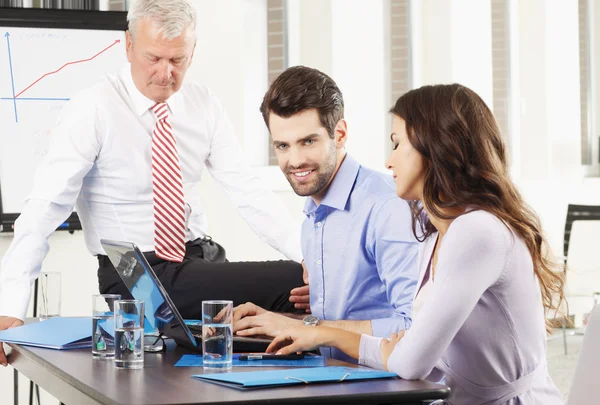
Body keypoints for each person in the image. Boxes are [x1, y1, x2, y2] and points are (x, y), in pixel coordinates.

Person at [0, 0, 308, 367]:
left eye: (177, 60)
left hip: (199, 262)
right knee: (291, 283)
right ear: (128, 46)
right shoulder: (94, 108)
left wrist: (308, 256)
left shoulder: (202, 104)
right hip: (135, 272)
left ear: (193, 52)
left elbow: (247, 190)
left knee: (307, 282)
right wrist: (9, 308)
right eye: (154, 58)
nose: (165, 73)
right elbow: (45, 207)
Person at [266, 83, 565, 404]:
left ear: (436, 149)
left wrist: (326, 333)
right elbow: (410, 351)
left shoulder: (476, 230)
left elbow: (411, 360)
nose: (389, 161)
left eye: (398, 145)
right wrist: (331, 335)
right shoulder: (434, 231)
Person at [232, 66, 419, 362]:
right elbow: (328, 325)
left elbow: (414, 328)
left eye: (308, 141)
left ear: (340, 134)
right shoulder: (313, 216)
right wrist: (273, 321)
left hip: (382, 386)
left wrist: (306, 327)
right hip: (332, 375)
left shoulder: (387, 207)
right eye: (283, 145)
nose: (295, 161)